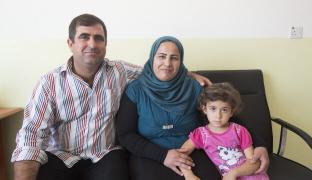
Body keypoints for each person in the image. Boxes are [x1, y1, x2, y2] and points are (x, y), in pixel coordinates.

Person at [11, 14, 211, 180]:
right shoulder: (49, 83)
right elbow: (30, 136)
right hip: (62, 157)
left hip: (105, 156)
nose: (92, 44)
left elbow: (158, 72)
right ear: (70, 43)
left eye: (98, 38)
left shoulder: (120, 71)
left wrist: (188, 75)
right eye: (84, 37)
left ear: (105, 44)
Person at [116, 36, 269, 180]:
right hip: (149, 153)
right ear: (152, 58)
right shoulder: (135, 90)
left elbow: (227, 117)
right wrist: (163, 155)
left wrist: (260, 145)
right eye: (161, 56)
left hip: (192, 151)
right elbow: (125, 135)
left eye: (174, 58)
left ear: (181, 61)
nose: (167, 63)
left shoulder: (194, 88)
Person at [180, 83, 269, 180]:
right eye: (213, 109)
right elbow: (181, 154)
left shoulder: (239, 131)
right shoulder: (201, 134)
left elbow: (254, 163)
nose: (218, 116)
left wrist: (233, 173)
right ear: (204, 109)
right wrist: (188, 175)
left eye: (224, 110)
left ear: (232, 112)